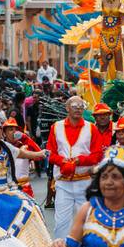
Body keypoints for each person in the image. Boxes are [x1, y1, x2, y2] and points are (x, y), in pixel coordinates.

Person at [0, 111, 51, 247]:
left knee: (31, 207)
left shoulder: (5, 147)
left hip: (7, 191)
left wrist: (40, 154)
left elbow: (23, 154)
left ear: (1, 131)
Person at [46, 96, 105, 239]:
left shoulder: (91, 128)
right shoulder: (56, 127)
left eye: (81, 105)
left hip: (84, 182)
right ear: (67, 108)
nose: (78, 108)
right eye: (74, 105)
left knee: (87, 220)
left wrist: (79, 161)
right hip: (63, 182)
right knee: (61, 222)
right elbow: (50, 153)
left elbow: (97, 155)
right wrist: (62, 162)